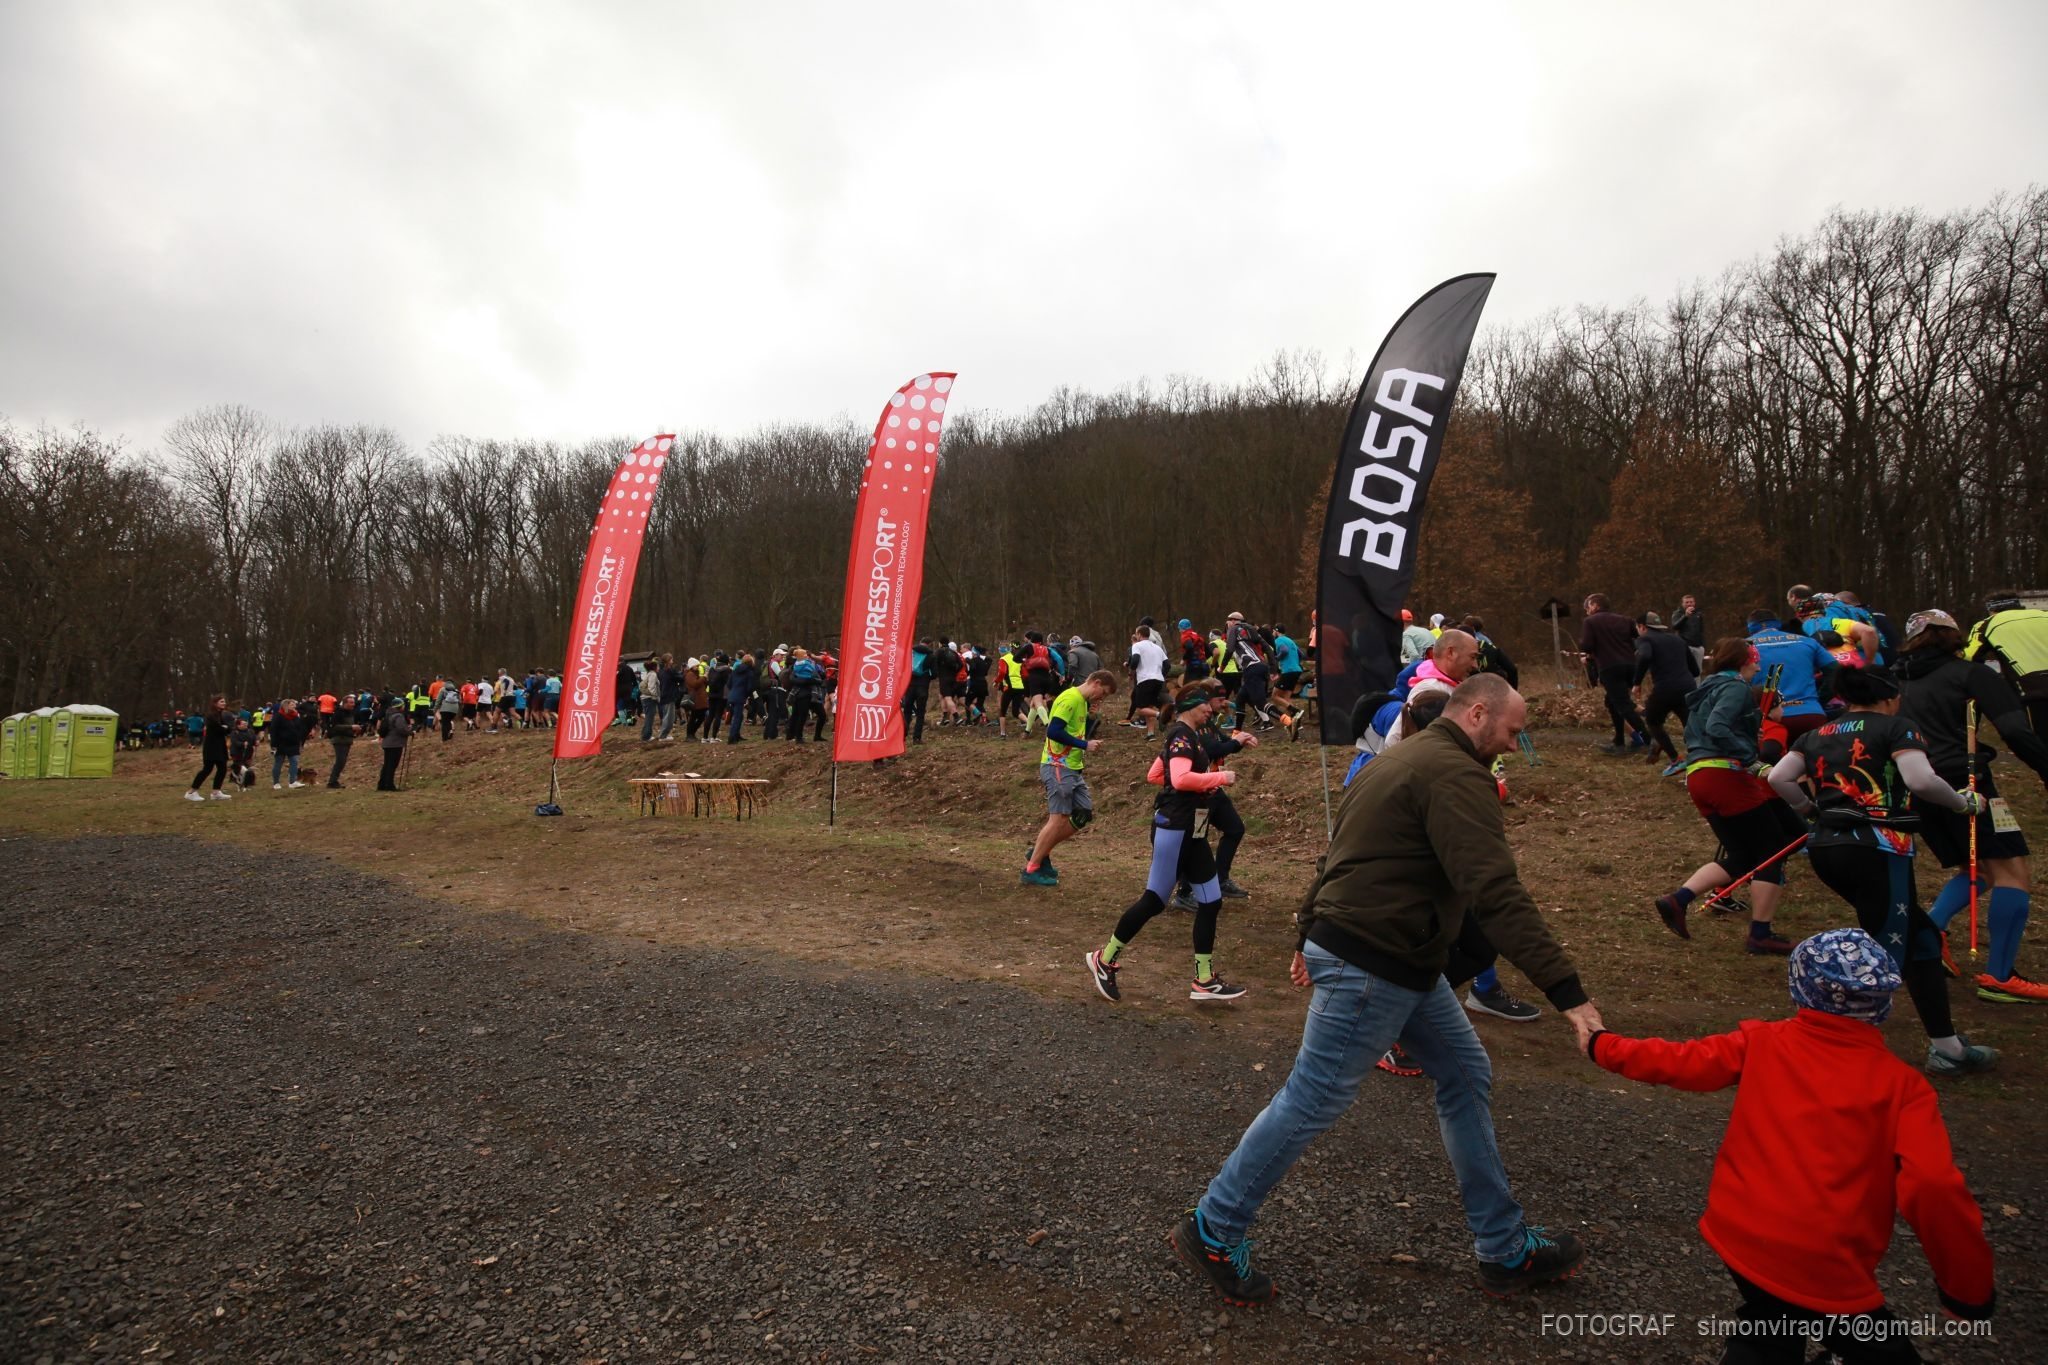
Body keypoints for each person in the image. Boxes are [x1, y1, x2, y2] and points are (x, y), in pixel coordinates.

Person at [1173, 674, 1598, 1305]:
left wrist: (1306, 933)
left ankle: (1504, 1248)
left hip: (1401, 958)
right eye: (1512, 730)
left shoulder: (1395, 759)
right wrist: (1567, 991)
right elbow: (1495, 892)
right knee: (1311, 1099)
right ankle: (1214, 1226)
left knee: (1465, 1073)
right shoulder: (1456, 775)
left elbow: (1335, 856)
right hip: (1373, 959)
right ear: (1477, 714)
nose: (1514, 743)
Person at [1586, 928, 1995, 1360]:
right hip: (1826, 1264)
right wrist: (1967, 1291)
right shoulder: (1903, 1088)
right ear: (1884, 1001)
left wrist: (1602, 1045)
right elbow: (1933, 1184)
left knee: (1770, 1328)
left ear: (1801, 989)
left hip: (1742, 1234)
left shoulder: (1762, 1042)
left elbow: (1680, 1061)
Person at [1766, 667, 1998, 1075]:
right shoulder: (1897, 727)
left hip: (1826, 846)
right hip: (1878, 847)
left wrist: (1808, 809)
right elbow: (1920, 781)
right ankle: (1834, 1050)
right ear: (1890, 697)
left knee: (1921, 939)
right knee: (1889, 949)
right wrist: (1962, 803)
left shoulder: (1817, 733)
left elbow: (1779, 777)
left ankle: (1947, 1046)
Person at [1897, 609, 2048, 1003]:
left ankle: (1930, 934)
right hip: (1967, 783)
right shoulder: (1971, 674)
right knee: (2012, 870)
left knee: (1976, 869)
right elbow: (2014, 729)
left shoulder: (1897, 679)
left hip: (1915, 782)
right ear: (1953, 635)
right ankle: (2000, 975)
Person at [1087, 683, 1247, 1004]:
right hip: (1174, 828)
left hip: (1193, 829)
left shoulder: (1190, 737)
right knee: (1155, 900)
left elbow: (1156, 775)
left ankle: (1204, 980)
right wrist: (1218, 778)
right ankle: (1104, 959)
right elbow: (1181, 778)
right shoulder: (1181, 737)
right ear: (1190, 706)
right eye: (1205, 705)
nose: (1211, 709)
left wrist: (1200, 787)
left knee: (1211, 901)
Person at [1654, 638, 1804, 955]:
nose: (1758, 666)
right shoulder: (1735, 687)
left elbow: (1707, 729)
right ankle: (1760, 934)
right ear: (1742, 661)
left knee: (1741, 854)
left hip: (1699, 776)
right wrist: (1749, 756)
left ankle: (1678, 900)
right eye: (1754, 660)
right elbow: (1718, 726)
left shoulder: (1706, 689)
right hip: (1726, 774)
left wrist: (1744, 734)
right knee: (1773, 850)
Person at [1021, 670, 1117, 886]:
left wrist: (1091, 717)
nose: (1102, 698)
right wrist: (1085, 745)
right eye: (1103, 693)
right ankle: (1032, 869)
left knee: (1083, 813)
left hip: (1072, 767)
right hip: (1057, 766)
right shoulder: (1070, 699)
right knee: (1059, 818)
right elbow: (1053, 731)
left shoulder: (1082, 702)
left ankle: (1040, 851)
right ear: (1096, 683)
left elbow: (1076, 731)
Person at [1746, 609, 1838, 753]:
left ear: (1751, 628)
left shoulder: (1744, 647)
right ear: (1777, 624)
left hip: (1769, 720)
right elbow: (1836, 671)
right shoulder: (1807, 641)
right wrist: (1820, 699)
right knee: (1818, 764)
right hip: (1810, 714)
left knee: (1773, 765)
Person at [1968, 595, 2048, 736]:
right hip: (2036, 687)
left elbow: (1969, 656)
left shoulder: (1986, 624)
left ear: (1991, 610)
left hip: (2033, 690)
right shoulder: (2044, 615)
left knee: (2040, 742)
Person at [1580, 592, 1649, 753]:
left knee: (1623, 705)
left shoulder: (1590, 622)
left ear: (1595, 605)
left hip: (1609, 667)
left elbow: (1586, 645)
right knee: (1612, 702)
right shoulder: (1625, 620)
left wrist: (1588, 654)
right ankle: (1619, 742)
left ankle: (1649, 739)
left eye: (1588, 607)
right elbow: (1639, 638)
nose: (1587, 611)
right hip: (1630, 666)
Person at [1635, 611, 1700, 775]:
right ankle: (1699, 759)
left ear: (1642, 627)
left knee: (1653, 720)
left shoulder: (1645, 639)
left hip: (1665, 688)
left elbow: (1644, 656)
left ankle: (1675, 759)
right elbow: (1695, 670)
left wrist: (1637, 682)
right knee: (1690, 725)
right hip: (1687, 687)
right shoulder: (1678, 639)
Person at [185, 696, 233, 801]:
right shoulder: (211, 716)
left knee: (222, 768)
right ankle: (191, 792)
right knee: (207, 769)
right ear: (215, 703)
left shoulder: (221, 715)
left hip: (220, 745)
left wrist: (225, 728)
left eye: (224, 701)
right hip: (211, 746)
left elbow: (229, 728)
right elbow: (219, 729)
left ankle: (216, 792)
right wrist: (224, 728)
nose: (224, 703)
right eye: (221, 701)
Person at [1128, 627, 1169, 738]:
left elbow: (1135, 660)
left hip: (1145, 679)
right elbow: (1167, 665)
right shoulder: (1157, 648)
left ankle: (1160, 715)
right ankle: (1151, 734)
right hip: (1158, 680)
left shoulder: (1137, 646)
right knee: (1149, 707)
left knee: (1141, 709)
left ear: (1139, 634)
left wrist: (1132, 670)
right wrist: (1161, 674)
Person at [268, 699, 310, 790]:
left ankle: (292, 781)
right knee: (278, 763)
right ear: (286, 706)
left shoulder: (296, 716)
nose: (294, 706)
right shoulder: (278, 716)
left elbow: (300, 728)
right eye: (292, 705)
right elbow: (273, 730)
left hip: (293, 743)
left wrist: (300, 740)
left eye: (294, 704)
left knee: (294, 762)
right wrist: (273, 745)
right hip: (281, 744)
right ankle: (276, 783)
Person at [377, 698, 409, 791]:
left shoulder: (388, 714)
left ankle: (382, 784)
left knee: (387, 764)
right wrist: (410, 731)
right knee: (392, 765)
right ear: (400, 706)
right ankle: (389, 785)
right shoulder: (398, 716)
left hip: (387, 743)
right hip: (395, 743)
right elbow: (401, 729)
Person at [725, 652, 758, 743]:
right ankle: (732, 737)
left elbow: (729, 684)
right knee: (737, 716)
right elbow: (749, 687)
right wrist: (747, 695)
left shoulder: (735, 671)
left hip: (732, 695)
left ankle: (736, 735)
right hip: (740, 696)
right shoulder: (749, 672)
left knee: (739, 716)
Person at [324, 697, 356, 789]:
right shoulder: (338, 713)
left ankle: (334, 781)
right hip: (339, 739)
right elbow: (335, 726)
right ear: (345, 703)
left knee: (342, 761)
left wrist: (355, 730)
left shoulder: (351, 713)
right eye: (351, 702)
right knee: (340, 761)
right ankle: (332, 782)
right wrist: (351, 727)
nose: (353, 704)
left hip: (347, 739)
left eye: (353, 702)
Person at [1671, 593, 1707, 673]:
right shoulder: (1677, 613)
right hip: (1684, 645)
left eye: (1691, 602)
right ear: (1682, 604)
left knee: (1697, 670)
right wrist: (1685, 616)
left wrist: (1703, 646)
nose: (1689, 604)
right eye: (1687, 602)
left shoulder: (1698, 614)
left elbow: (1701, 631)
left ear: (1694, 603)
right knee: (1684, 669)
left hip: (1698, 646)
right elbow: (1675, 626)